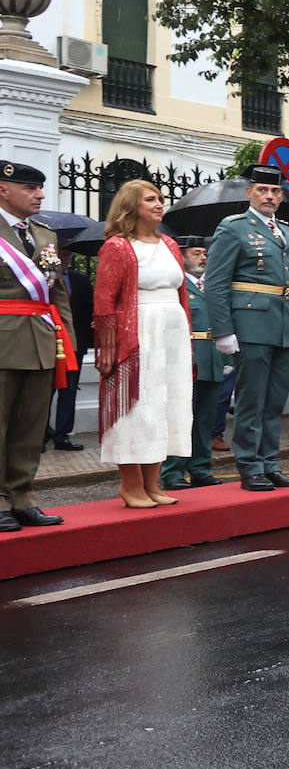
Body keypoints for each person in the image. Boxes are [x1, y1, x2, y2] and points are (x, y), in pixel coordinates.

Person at [204, 164, 289, 492]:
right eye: (262, 190)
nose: (269, 196)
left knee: (276, 400)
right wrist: (223, 330)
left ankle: (270, 462)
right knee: (252, 399)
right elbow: (217, 283)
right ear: (249, 193)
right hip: (251, 325)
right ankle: (250, 465)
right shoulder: (233, 228)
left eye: (275, 191)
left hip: (285, 325)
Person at [93, 180, 193, 508]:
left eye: (161, 198)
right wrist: (108, 348)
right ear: (131, 206)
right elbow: (104, 301)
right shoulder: (118, 246)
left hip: (172, 333)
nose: (158, 203)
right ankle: (130, 485)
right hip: (138, 336)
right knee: (138, 410)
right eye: (150, 199)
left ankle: (153, 483)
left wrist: (189, 341)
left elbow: (182, 295)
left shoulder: (171, 244)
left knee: (166, 406)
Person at [0, 161, 75, 531]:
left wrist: (68, 342)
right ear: (3, 190)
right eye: (31, 188)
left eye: (39, 188)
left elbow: (57, 293)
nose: (40, 195)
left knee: (31, 428)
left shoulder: (44, 235)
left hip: (42, 340)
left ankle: (22, 497)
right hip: (3, 341)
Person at [160, 236, 227, 490]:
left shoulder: (213, 285)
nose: (202, 257)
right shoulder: (177, 286)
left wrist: (227, 358)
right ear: (182, 257)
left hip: (212, 358)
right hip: (185, 358)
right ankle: (173, 471)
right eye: (196, 253)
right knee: (180, 417)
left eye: (203, 253)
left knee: (205, 419)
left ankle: (200, 468)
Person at [47, 248, 93, 451]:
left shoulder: (81, 280)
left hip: (75, 343)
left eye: (67, 255)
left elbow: (89, 310)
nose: (64, 259)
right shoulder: (42, 280)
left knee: (69, 390)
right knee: (45, 391)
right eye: (61, 255)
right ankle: (40, 434)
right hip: (48, 342)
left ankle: (62, 435)